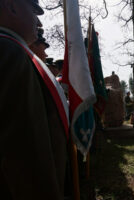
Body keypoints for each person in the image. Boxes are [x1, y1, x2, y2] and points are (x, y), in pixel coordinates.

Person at [0, 1, 68, 199]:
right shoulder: (8, 51)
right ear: (12, 6)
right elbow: (22, 153)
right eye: (33, 10)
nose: (38, 21)